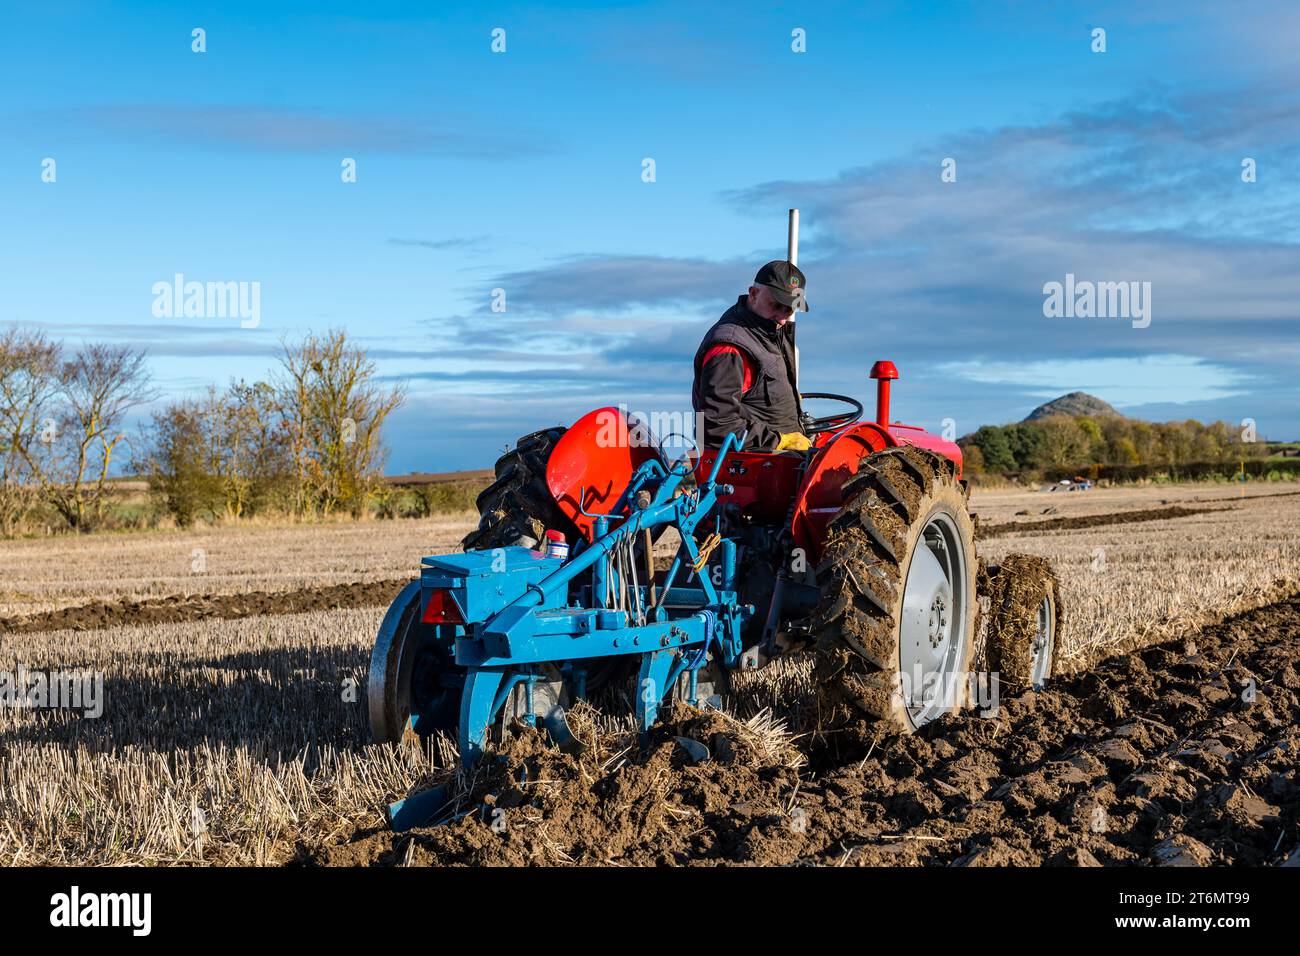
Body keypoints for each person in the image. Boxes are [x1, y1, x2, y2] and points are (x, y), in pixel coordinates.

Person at [691, 260, 811, 452]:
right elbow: (717, 424)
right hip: (754, 468)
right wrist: (778, 440)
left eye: (789, 309)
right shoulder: (730, 347)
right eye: (776, 305)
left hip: (781, 464)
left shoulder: (767, 332)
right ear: (753, 294)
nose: (782, 317)